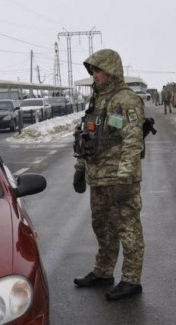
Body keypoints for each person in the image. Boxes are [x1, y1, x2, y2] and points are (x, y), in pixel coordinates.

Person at [72, 48, 146, 301]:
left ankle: (131, 280)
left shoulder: (125, 100)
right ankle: (103, 272)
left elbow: (132, 142)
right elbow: (86, 137)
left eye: (98, 70)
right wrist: (80, 169)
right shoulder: (97, 100)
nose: (94, 75)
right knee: (102, 227)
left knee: (128, 229)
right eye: (91, 70)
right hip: (98, 178)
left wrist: (126, 177)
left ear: (111, 70)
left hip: (118, 178)